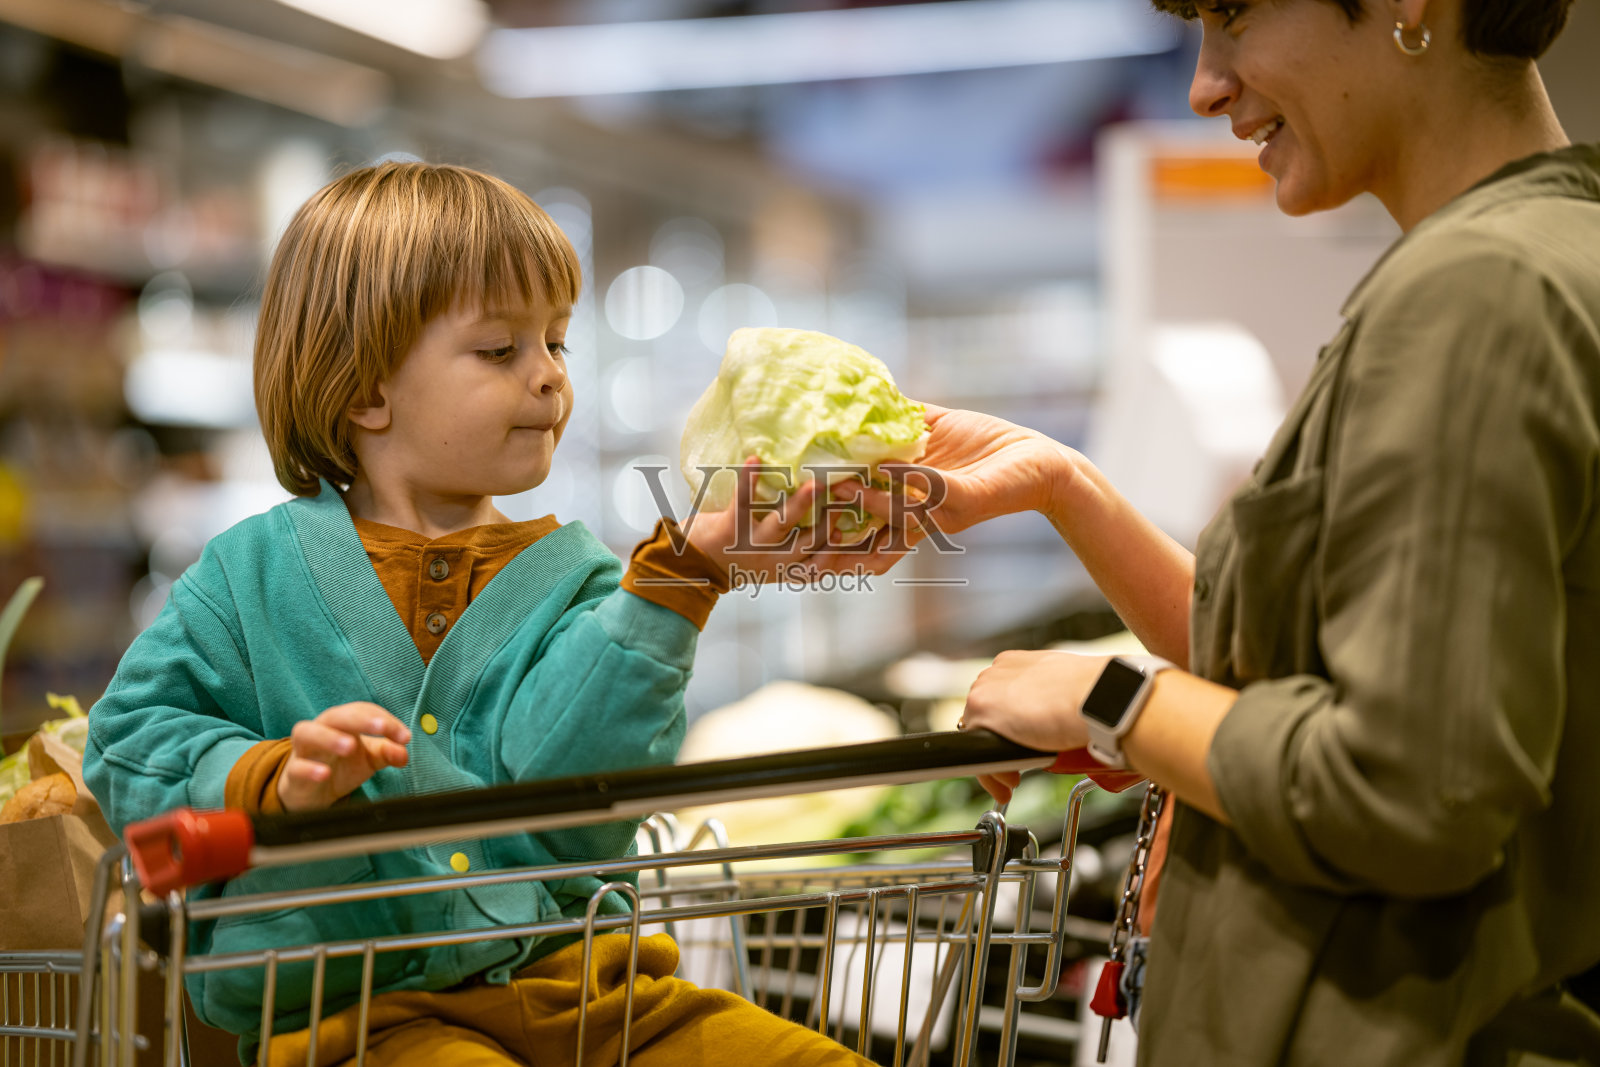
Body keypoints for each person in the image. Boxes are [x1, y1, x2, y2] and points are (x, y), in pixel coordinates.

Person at [858, 0, 1600, 1063]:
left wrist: (1108, 698)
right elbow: (1308, 661)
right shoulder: (1545, 246)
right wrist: (1066, 487)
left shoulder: (1475, 293)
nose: (1205, 83)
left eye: (1235, 15)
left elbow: (1404, 786)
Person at [83, 162, 875, 1067]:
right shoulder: (248, 576)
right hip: (360, 1012)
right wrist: (266, 773)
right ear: (364, 390)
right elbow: (126, 739)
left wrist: (684, 579)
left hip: (593, 991)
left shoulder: (580, 577)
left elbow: (574, 806)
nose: (547, 379)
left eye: (557, 344)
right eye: (501, 351)